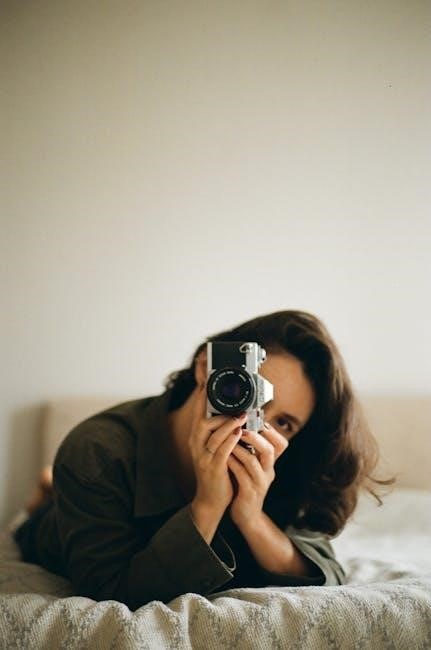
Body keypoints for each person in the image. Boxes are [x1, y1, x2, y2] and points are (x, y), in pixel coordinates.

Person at [13, 309, 394, 611]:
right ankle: (46, 499)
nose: (257, 425)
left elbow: (326, 573)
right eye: (250, 396)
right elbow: (109, 592)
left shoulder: (283, 459)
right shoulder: (99, 450)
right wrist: (207, 506)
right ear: (205, 370)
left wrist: (251, 517)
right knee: (45, 529)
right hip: (65, 524)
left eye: (284, 423)